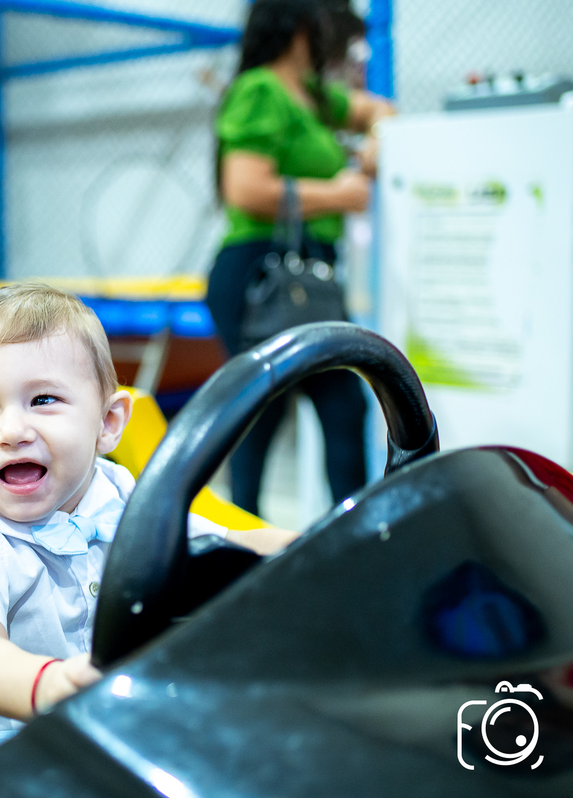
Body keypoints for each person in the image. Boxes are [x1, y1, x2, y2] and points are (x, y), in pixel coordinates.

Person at [0, 283, 298, 798]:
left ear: (108, 424)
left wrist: (320, 538)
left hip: (75, 723)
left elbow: (220, 543)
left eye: (43, 400)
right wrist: (48, 684)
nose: (12, 431)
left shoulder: (116, 490)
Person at [204, 0, 395, 516]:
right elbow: (244, 188)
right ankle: (247, 538)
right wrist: (339, 193)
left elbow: (380, 110)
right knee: (262, 414)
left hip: (309, 268)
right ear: (302, 27)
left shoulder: (312, 96)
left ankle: (349, 536)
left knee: (339, 405)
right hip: (259, 270)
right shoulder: (260, 89)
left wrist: (376, 140)